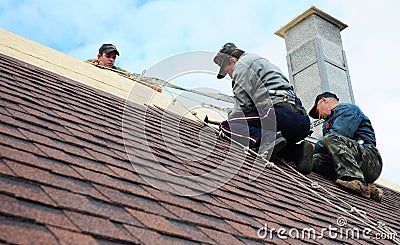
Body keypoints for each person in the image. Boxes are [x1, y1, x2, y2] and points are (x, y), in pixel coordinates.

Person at [213, 42, 313, 174]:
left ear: (232, 60)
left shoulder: (241, 66)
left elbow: (243, 107)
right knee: (277, 145)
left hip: (277, 114)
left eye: (228, 71)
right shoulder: (259, 61)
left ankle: (266, 140)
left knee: (227, 126)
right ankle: (297, 152)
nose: (230, 76)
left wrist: (230, 117)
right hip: (300, 121)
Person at [308, 92, 383, 202]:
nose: (319, 116)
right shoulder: (329, 121)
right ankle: (368, 186)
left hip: (371, 160)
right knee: (315, 161)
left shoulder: (348, 109)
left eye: (318, 111)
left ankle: (355, 180)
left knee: (330, 139)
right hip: (356, 162)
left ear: (324, 100)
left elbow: (340, 134)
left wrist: (313, 147)